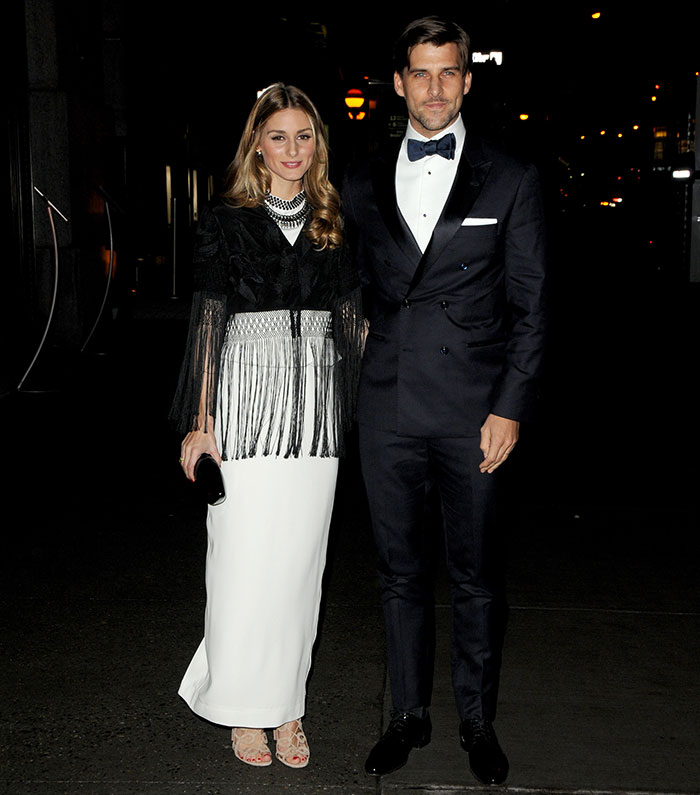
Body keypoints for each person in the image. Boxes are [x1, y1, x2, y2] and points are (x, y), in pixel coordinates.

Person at [341, 16, 547, 786]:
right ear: (398, 83)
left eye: (447, 72)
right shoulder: (360, 178)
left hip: (474, 413)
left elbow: (532, 306)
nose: (434, 88)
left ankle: (476, 717)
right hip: (387, 408)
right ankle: (406, 714)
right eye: (419, 74)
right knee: (397, 573)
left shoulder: (511, 175)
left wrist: (510, 407)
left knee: (476, 575)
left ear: (467, 79)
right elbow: (343, 289)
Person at [170, 83, 364, 769]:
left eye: (304, 137)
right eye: (278, 136)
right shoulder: (225, 218)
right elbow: (208, 319)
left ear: (318, 146)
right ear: (257, 142)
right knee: (242, 561)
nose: (291, 150)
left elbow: (350, 324)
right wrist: (201, 422)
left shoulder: (332, 217)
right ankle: (243, 708)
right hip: (245, 401)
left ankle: (287, 707)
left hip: (313, 412)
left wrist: (359, 408)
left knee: (300, 566)